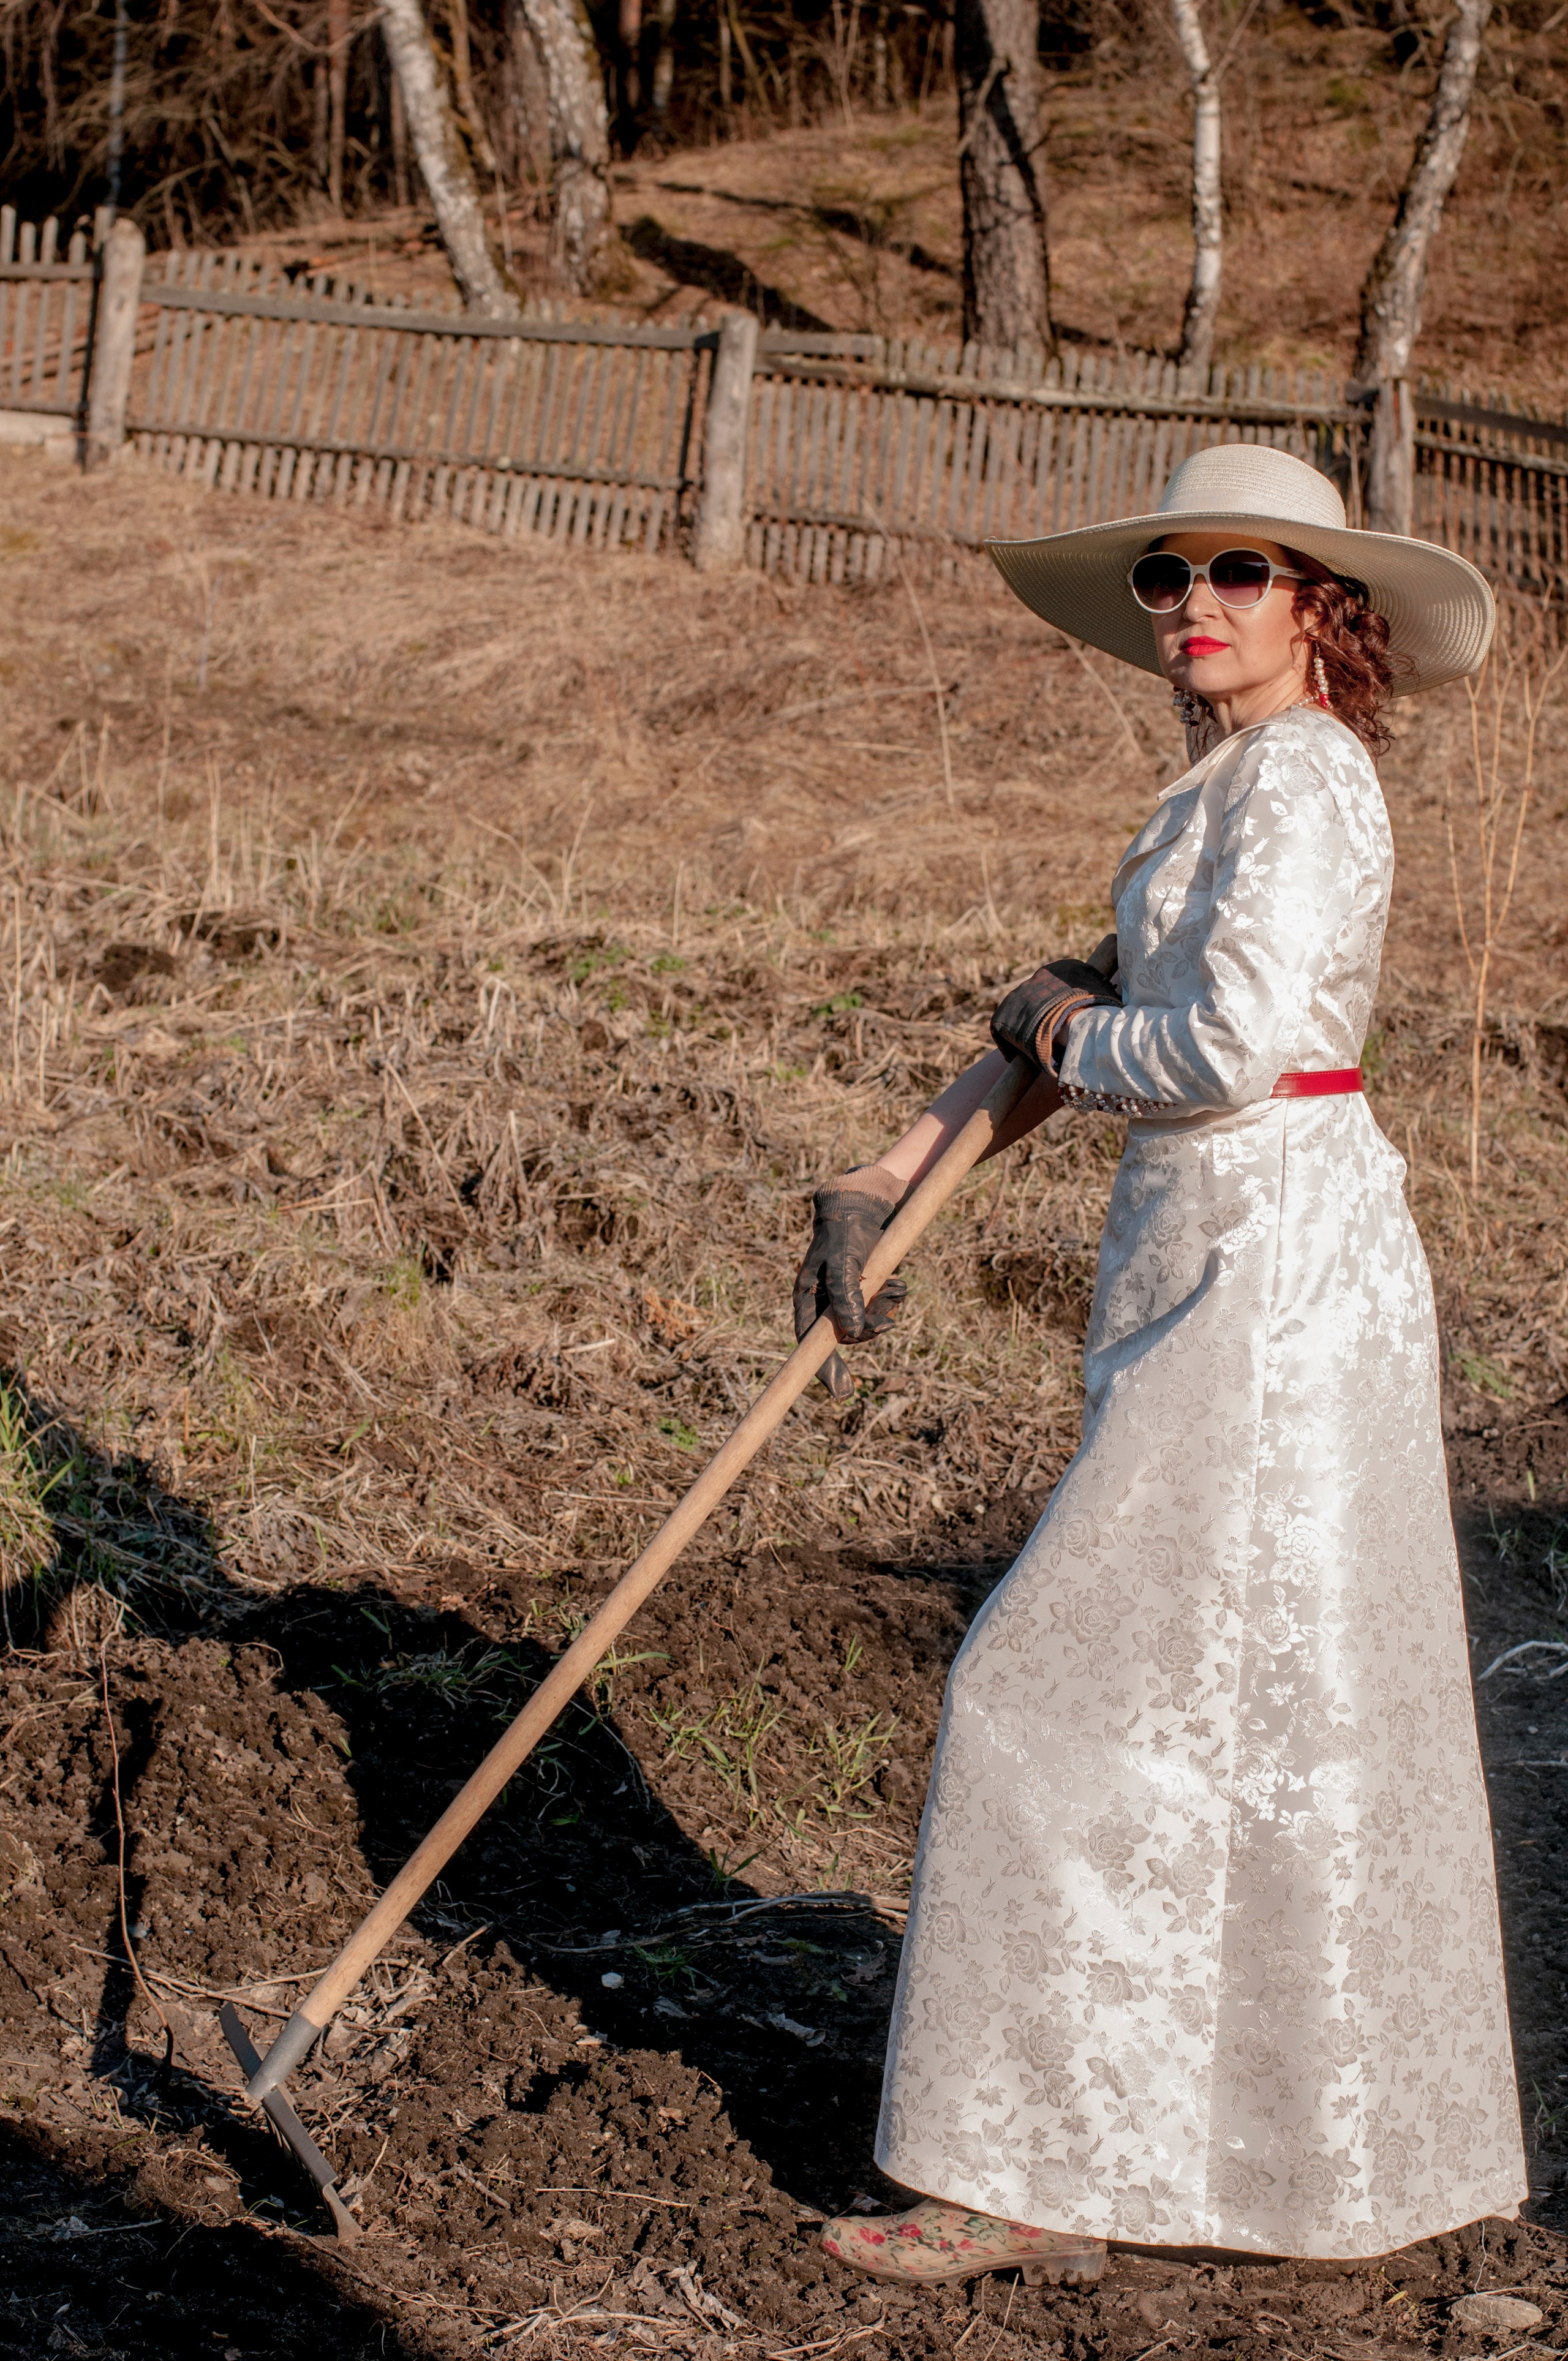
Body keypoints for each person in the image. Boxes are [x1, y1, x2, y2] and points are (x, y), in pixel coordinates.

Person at [791, 445, 1526, 2287]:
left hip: (1272, 1286)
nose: (1196, 600)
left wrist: (1060, 1024)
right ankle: (1224, 2159)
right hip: (1221, 1266)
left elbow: (1216, 1049)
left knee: (1043, 1690)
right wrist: (887, 1175)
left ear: (1322, 607)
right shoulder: (1228, 786)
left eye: (1240, 570)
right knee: (1224, 1713)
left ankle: (1023, 2168)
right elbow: (1068, 1016)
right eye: (1168, 575)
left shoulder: (1304, 779)